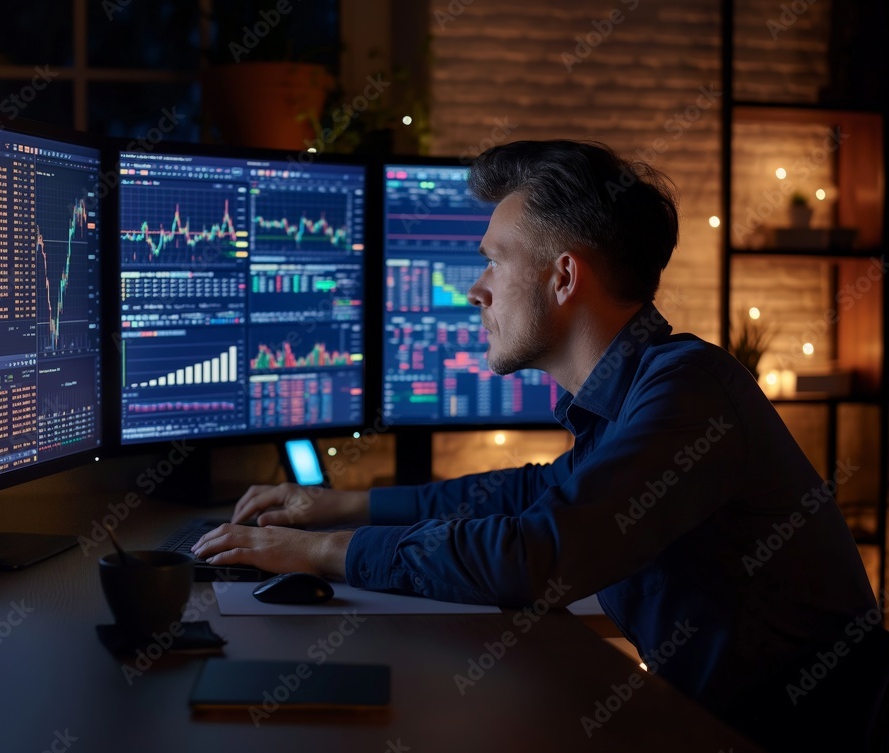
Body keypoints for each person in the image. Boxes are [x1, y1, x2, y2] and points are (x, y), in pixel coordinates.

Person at [193, 140, 884, 751]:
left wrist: (320, 553)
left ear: (563, 276)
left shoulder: (691, 393)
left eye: (495, 260)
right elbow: (529, 494)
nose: (476, 290)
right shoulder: (643, 390)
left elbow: (541, 552)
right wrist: (339, 506)